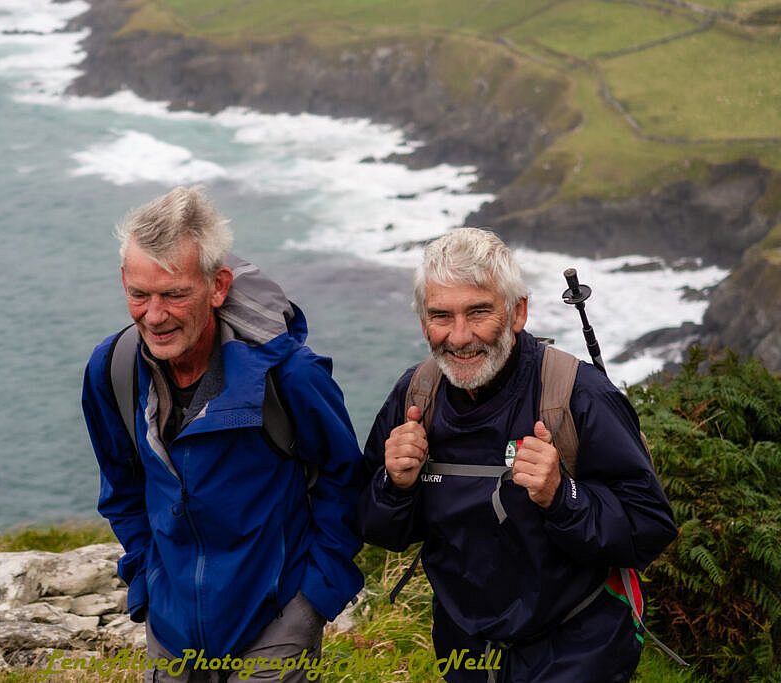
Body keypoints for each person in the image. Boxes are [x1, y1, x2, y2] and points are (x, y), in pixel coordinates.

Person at [358, 227, 678, 682]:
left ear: (518, 312)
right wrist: (395, 484)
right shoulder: (416, 395)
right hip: (466, 654)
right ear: (423, 320)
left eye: (479, 312)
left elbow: (650, 527)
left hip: (576, 652)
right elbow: (375, 528)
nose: (460, 336)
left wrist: (561, 495)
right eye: (441, 316)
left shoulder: (577, 395)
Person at [82, 186, 364, 682]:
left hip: (275, 623)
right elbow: (122, 487)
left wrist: (312, 601)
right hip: (171, 632)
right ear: (123, 281)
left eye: (174, 294)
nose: (154, 315)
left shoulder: (290, 376)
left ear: (218, 286)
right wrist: (147, 583)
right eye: (139, 294)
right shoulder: (114, 369)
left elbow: (346, 480)